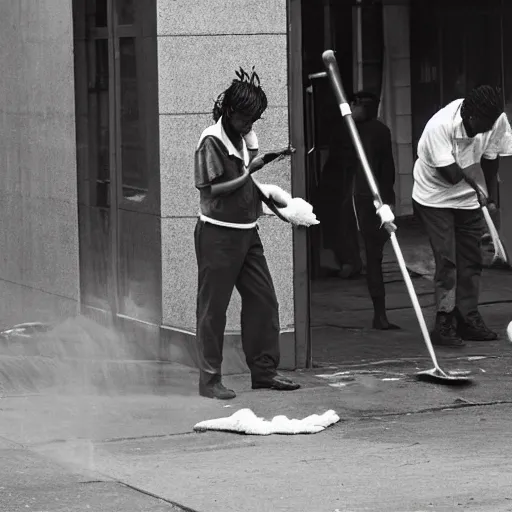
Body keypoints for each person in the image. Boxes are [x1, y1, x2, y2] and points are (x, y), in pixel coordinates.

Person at [193, 67, 300, 400]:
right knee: (213, 308)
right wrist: (248, 173)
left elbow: (250, 183)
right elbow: (212, 191)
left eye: (256, 119)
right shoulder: (210, 140)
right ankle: (209, 380)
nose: (251, 126)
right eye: (246, 119)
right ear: (230, 112)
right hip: (218, 234)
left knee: (264, 301)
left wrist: (282, 208)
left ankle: (264, 372)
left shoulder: (246, 136)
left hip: (247, 232)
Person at [412, 85, 510, 347]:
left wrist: (488, 198)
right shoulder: (439, 127)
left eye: (491, 125)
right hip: (434, 197)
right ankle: (444, 322)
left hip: (467, 198)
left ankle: (467, 318)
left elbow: (490, 160)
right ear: (470, 115)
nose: (487, 130)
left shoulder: (494, 120)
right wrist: (478, 186)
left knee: (471, 260)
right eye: (483, 125)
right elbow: (452, 175)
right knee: (447, 261)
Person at [319, 91, 399, 330]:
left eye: (358, 105)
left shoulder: (377, 132)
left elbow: (387, 170)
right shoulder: (346, 131)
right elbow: (337, 165)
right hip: (350, 197)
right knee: (366, 252)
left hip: (368, 199)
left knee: (373, 254)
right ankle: (348, 262)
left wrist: (387, 200)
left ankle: (380, 313)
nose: (354, 108)